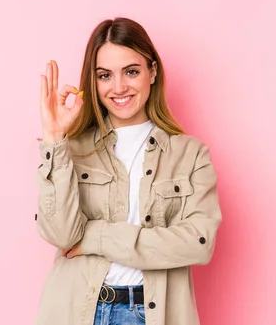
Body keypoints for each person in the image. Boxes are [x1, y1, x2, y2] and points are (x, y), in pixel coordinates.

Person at [34, 17, 222, 325]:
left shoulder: (190, 155)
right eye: (105, 75)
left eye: (131, 71)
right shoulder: (72, 150)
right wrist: (54, 139)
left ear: (152, 71)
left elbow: (198, 243)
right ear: (93, 82)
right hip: (77, 311)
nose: (119, 87)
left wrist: (97, 236)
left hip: (150, 314)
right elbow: (61, 235)